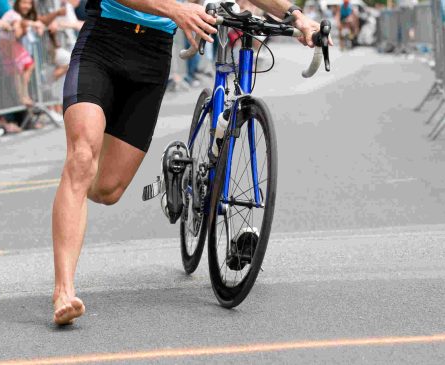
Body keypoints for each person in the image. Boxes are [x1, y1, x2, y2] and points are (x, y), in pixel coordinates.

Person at [51, 0, 324, 325]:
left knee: (107, 190)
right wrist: (175, 10)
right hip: (103, 45)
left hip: (152, 58)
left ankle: (129, 180)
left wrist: (298, 17)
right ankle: (63, 292)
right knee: (82, 158)